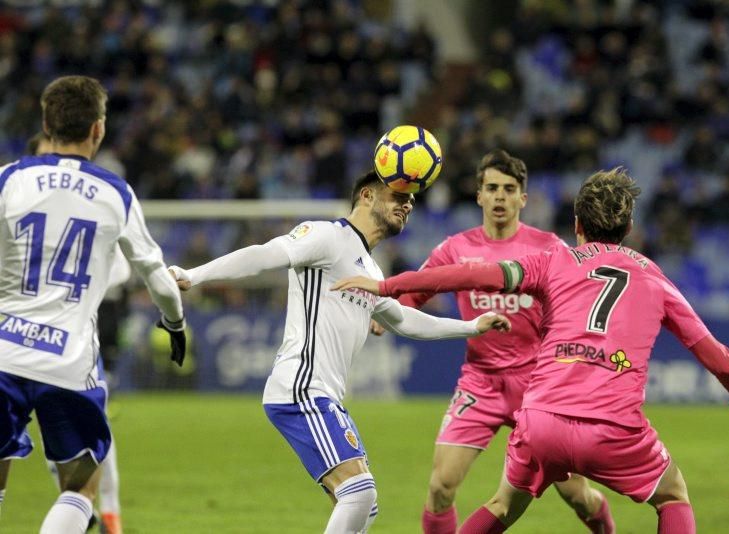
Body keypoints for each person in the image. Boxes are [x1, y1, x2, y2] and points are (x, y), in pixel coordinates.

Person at [332, 167, 729, 534]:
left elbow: (469, 275)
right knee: (672, 495)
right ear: (629, 228)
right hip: (614, 425)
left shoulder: (552, 260)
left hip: (540, 421)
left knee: (503, 506)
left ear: (577, 223)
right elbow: (710, 349)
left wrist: (388, 286)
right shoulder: (653, 277)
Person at [168, 171, 512, 534]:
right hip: (301, 388)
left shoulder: (370, 268)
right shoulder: (327, 236)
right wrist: (194, 275)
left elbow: (404, 320)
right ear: (366, 196)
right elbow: (265, 254)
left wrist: (471, 327)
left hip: (326, 396)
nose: (407, 204)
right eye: (397, 195)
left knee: (367, 506)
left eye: (411, 199)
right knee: (359, 494)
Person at [371, 149, 613, 533]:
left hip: (538, 387)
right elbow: (416, 291)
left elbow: (582, 304)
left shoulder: (549, 248)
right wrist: (385, 317)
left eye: (509, 189)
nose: (500, 197)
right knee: (440, 486)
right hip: (480, 382)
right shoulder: (455, 249)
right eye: (492, 188)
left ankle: (604, 527)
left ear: (523, 198)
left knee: (575, 493)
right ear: (479, 195)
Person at [0, 75, 186, 533]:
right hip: (68, 362)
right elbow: (158, 277)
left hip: (3, 352)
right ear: (98, 130)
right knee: (81, 488)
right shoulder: (114, 193)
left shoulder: (9, 179)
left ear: (46, 123)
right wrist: (175, 322)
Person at [27, 131, 128, 534]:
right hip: (24, 342)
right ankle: (80, 512)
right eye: (43, 156)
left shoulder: (93, 205)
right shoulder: (19, 203)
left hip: (68, 341)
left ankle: (107, 516)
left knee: (90, 435)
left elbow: (119, 268)